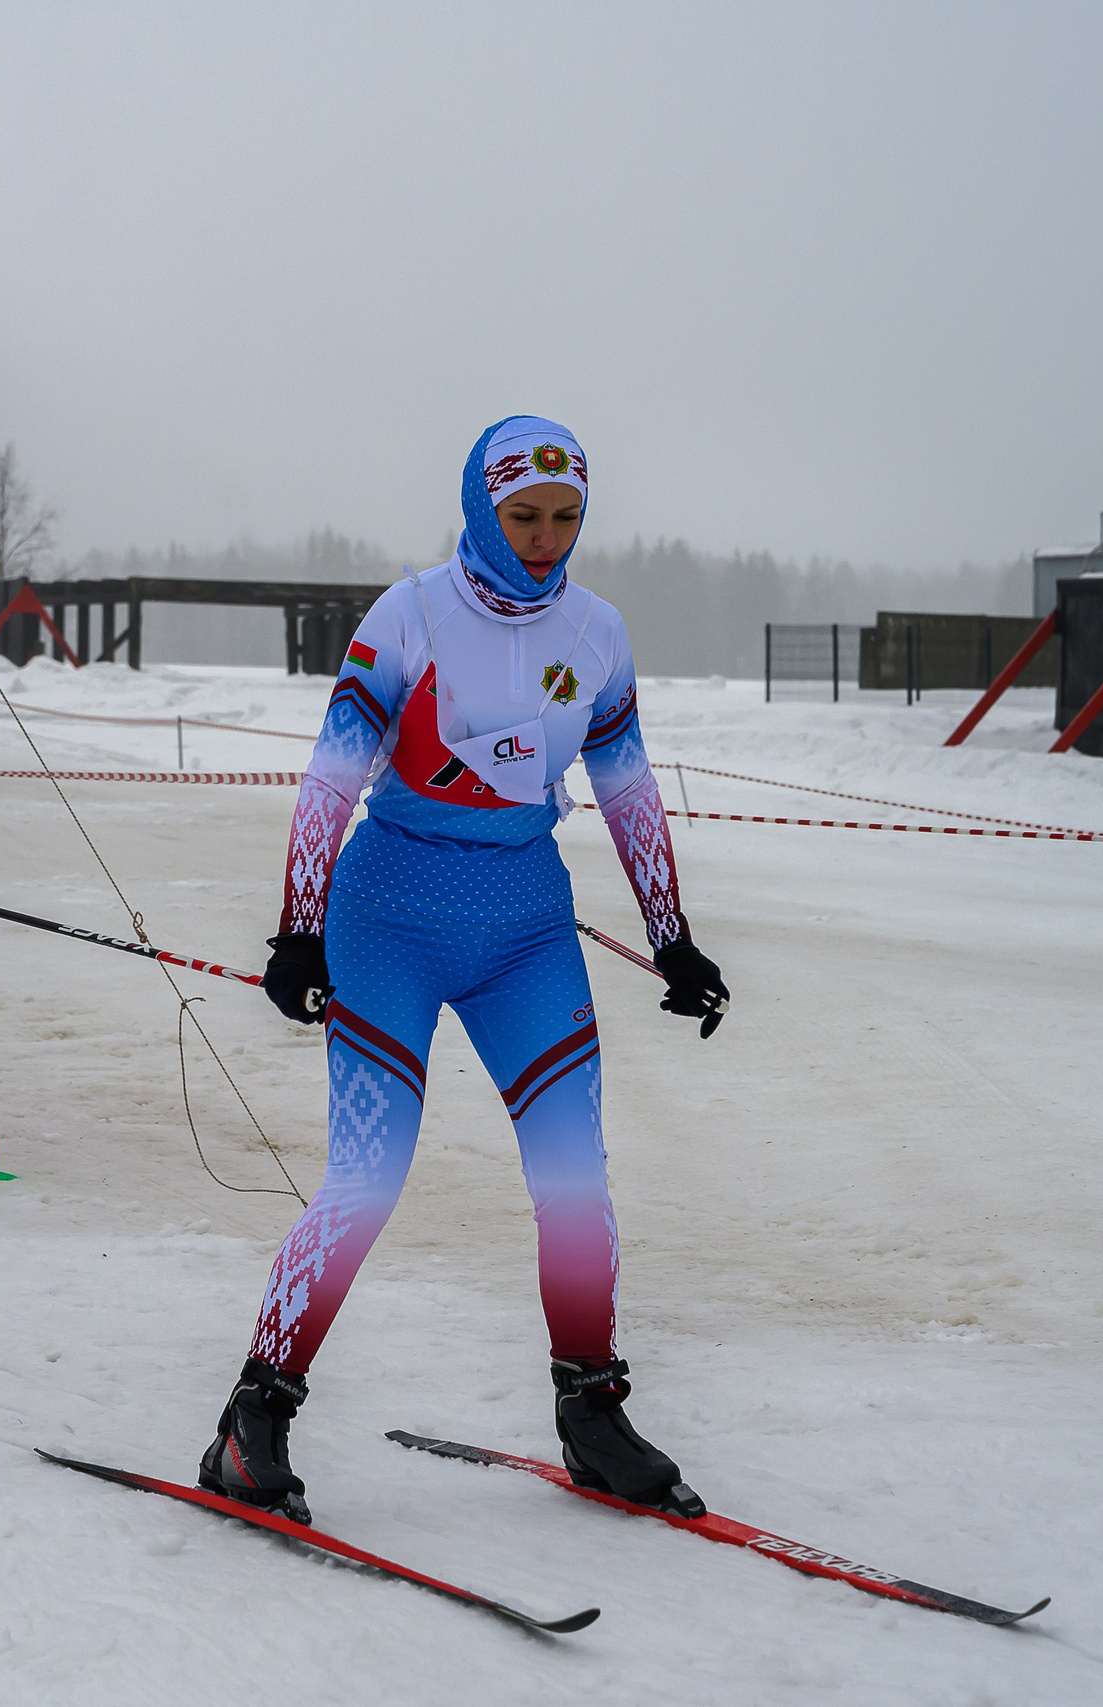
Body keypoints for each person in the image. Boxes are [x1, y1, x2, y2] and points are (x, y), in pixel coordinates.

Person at [199, 416, 728, 1526]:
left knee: (574, 1179)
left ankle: (590, 1410)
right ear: (481, 509)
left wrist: (672, 936)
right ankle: (254, 1419)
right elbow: (330, 781)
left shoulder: (597, 631)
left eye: (565, 519)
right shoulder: (413, 613)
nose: (543, 541)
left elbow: (628, 788)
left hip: (525, 925)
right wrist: (299, 928)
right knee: (369, 1178)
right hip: (387, 914)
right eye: (522, 518)